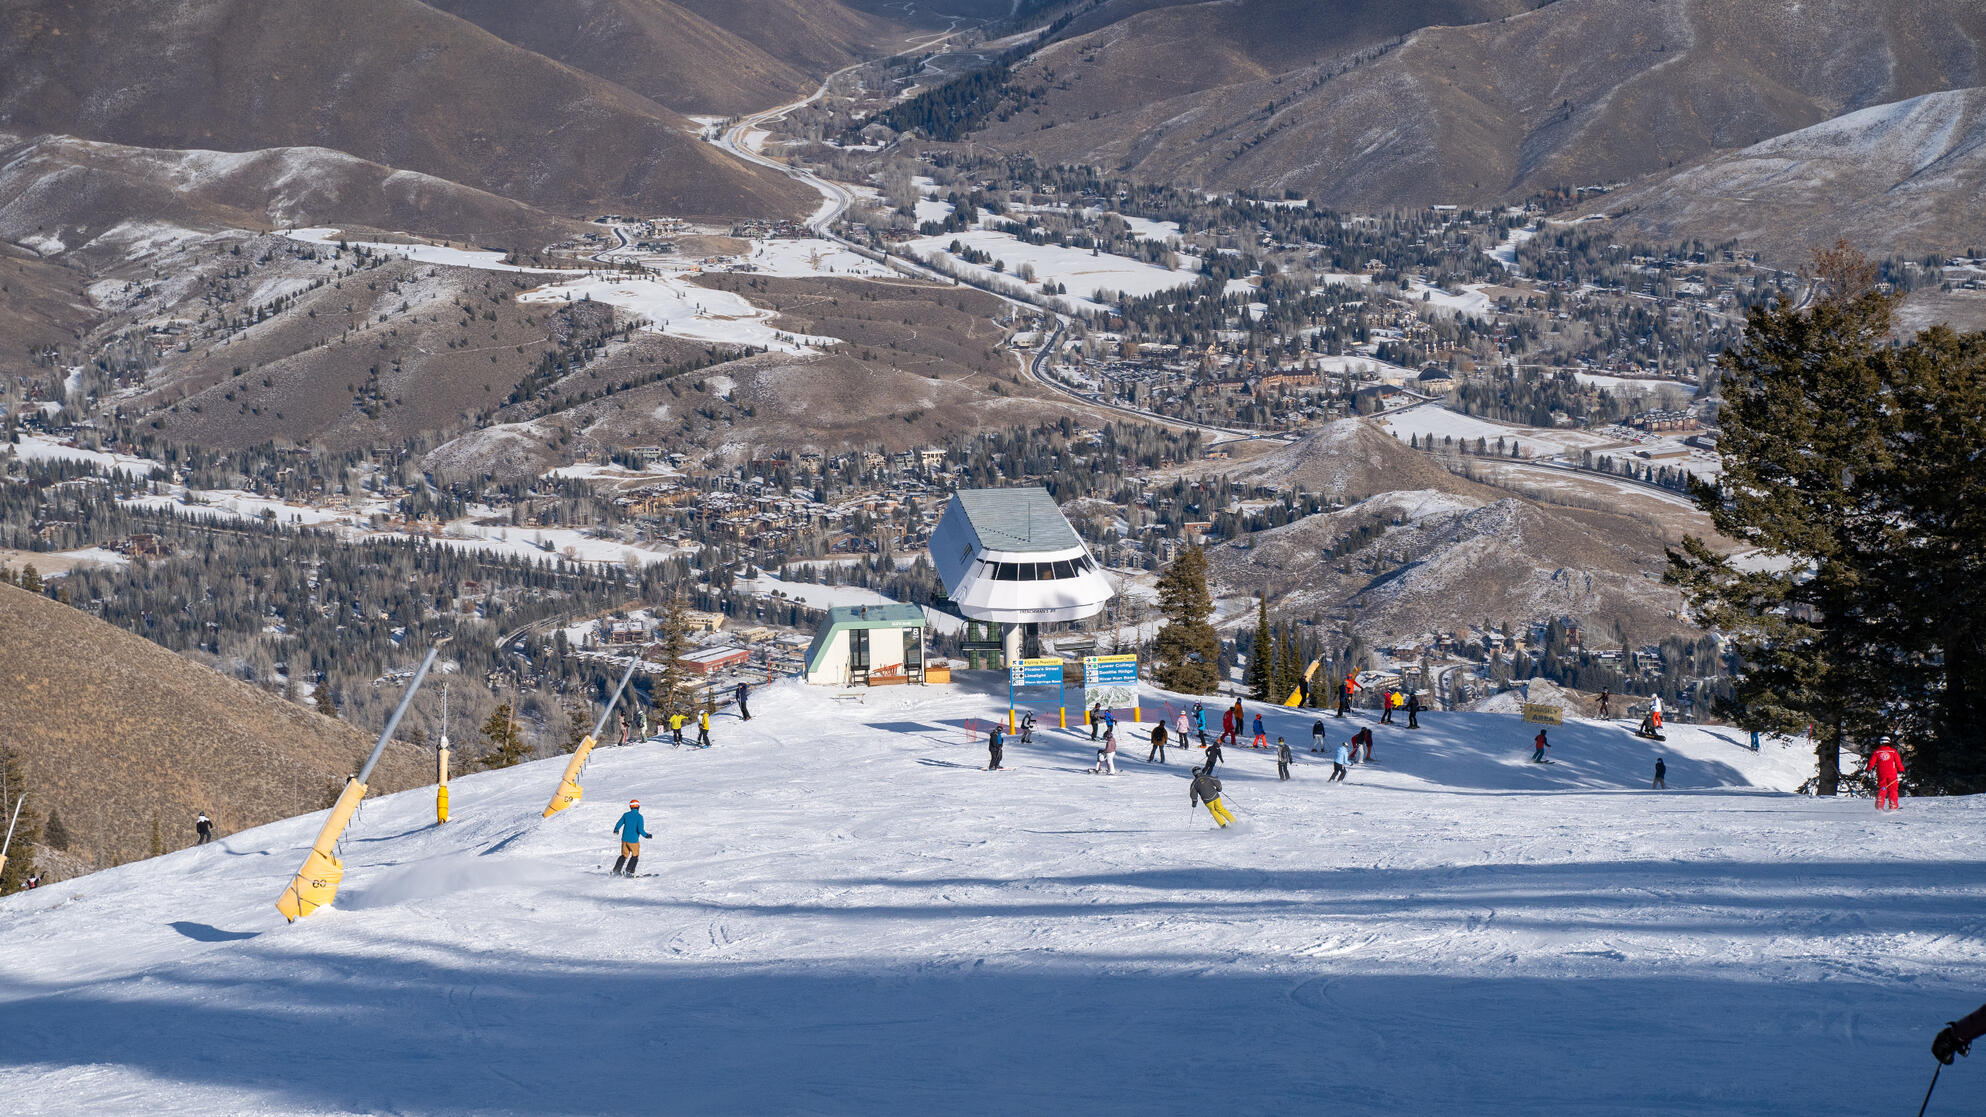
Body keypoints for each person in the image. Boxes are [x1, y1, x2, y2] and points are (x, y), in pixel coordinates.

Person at [611, 799, 651, 877]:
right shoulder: (639, 817)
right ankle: (629, 871)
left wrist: (616, 830)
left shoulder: (626, 815)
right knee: (635, 855)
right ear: (638, 807)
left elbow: (619, 823)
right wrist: (646, 835)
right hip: (633, 841)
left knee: (624, 855)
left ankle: (616, 870)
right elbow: (640, 830)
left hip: (624, 840)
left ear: (630, 807)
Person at [1867, 735, 1905, 810]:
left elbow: (1871, 763)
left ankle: (1879, 806)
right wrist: (1902, 770)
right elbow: (1898, 762)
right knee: (1893, 789)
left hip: (1881, 773)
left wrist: (1868, 769)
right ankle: (1893, 806)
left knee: (1883, 788)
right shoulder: (1893, 751)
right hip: (1892, 773)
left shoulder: (1876, 752)